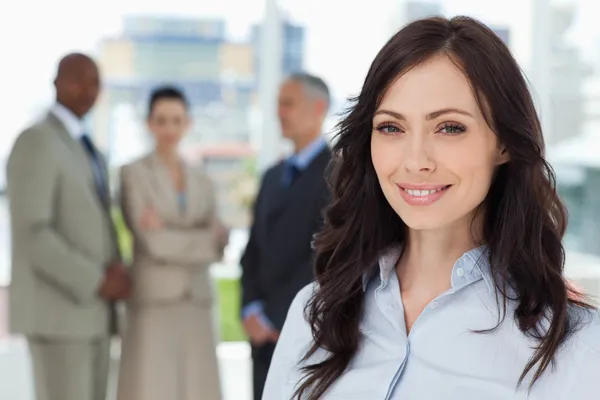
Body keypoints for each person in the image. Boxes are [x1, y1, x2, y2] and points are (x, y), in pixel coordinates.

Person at [263, 16, 600, 400]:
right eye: (391, 127)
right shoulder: (314, 313)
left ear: (504, 143)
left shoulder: (577, 346)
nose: (416, 161)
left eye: (449, 127)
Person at [6, 53, 130, 400]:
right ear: (56, 82)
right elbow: (33, 233)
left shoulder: (90, 149)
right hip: (58, 317)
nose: (87, 90)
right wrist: (96, 279)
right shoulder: (36, 141)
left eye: (95, 82)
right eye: (78, 79)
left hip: (94, 318)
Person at [117, 86, 228, 400]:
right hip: (153, 302)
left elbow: (220, 242)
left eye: (176, 120)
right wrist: (202, 238)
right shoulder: (133, 174)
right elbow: (154, 244)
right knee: (150, 388)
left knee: (198, 390)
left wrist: (172, 231)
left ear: (187, 123)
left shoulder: (202, 179)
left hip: (197, 302)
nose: (169, 129)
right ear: (149, 123)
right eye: (161, 120)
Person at [240, 73, 332, 399]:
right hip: (260, 336)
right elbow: (252, 250)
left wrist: (275, 316)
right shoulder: (271, 176)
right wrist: (249, 309)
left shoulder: (340, 174)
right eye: (278, 103)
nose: (280, 112)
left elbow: (325, 255)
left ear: (319, 107)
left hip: (304, 330)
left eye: (288, 103)